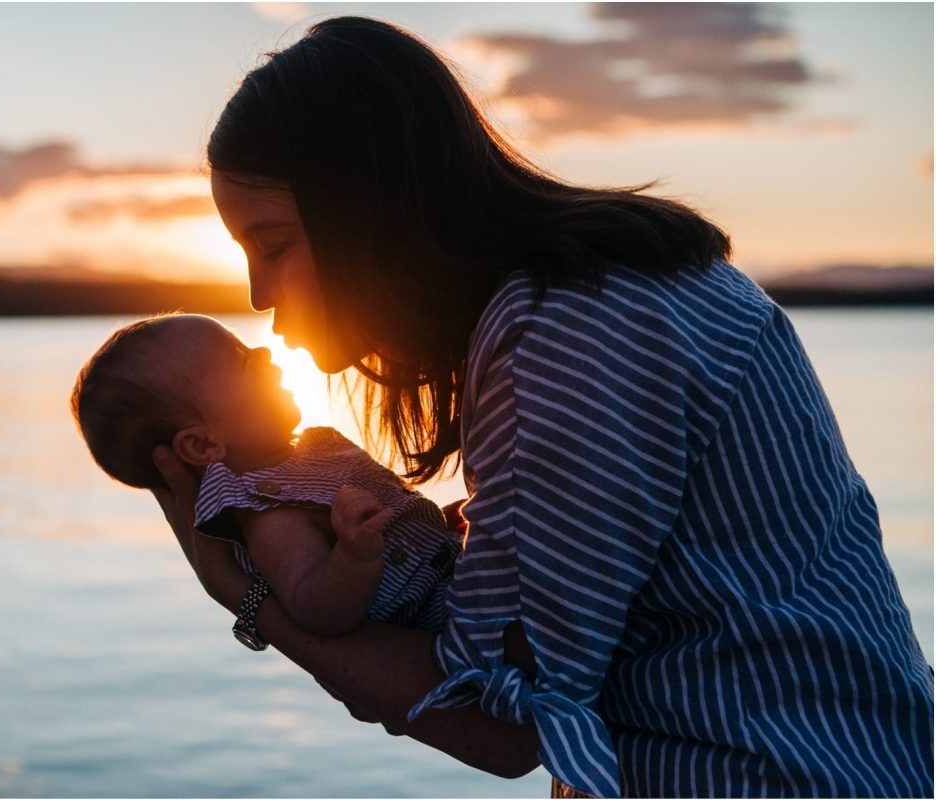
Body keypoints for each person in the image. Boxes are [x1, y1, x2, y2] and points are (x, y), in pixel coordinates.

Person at [151, 16, 934, 798]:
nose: (257, 295)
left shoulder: (566, 337)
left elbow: (500, 725)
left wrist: (245, 595)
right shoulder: (598, 296)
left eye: (275, 244)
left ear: (372, 209)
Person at [70, 313, 462, 638]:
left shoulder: (307, 460)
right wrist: (354, 554)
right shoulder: (270, 514)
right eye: (241, 359)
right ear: (204, 446)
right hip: (452, 619)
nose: (261, 351)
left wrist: (425, 526)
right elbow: (316, 607)